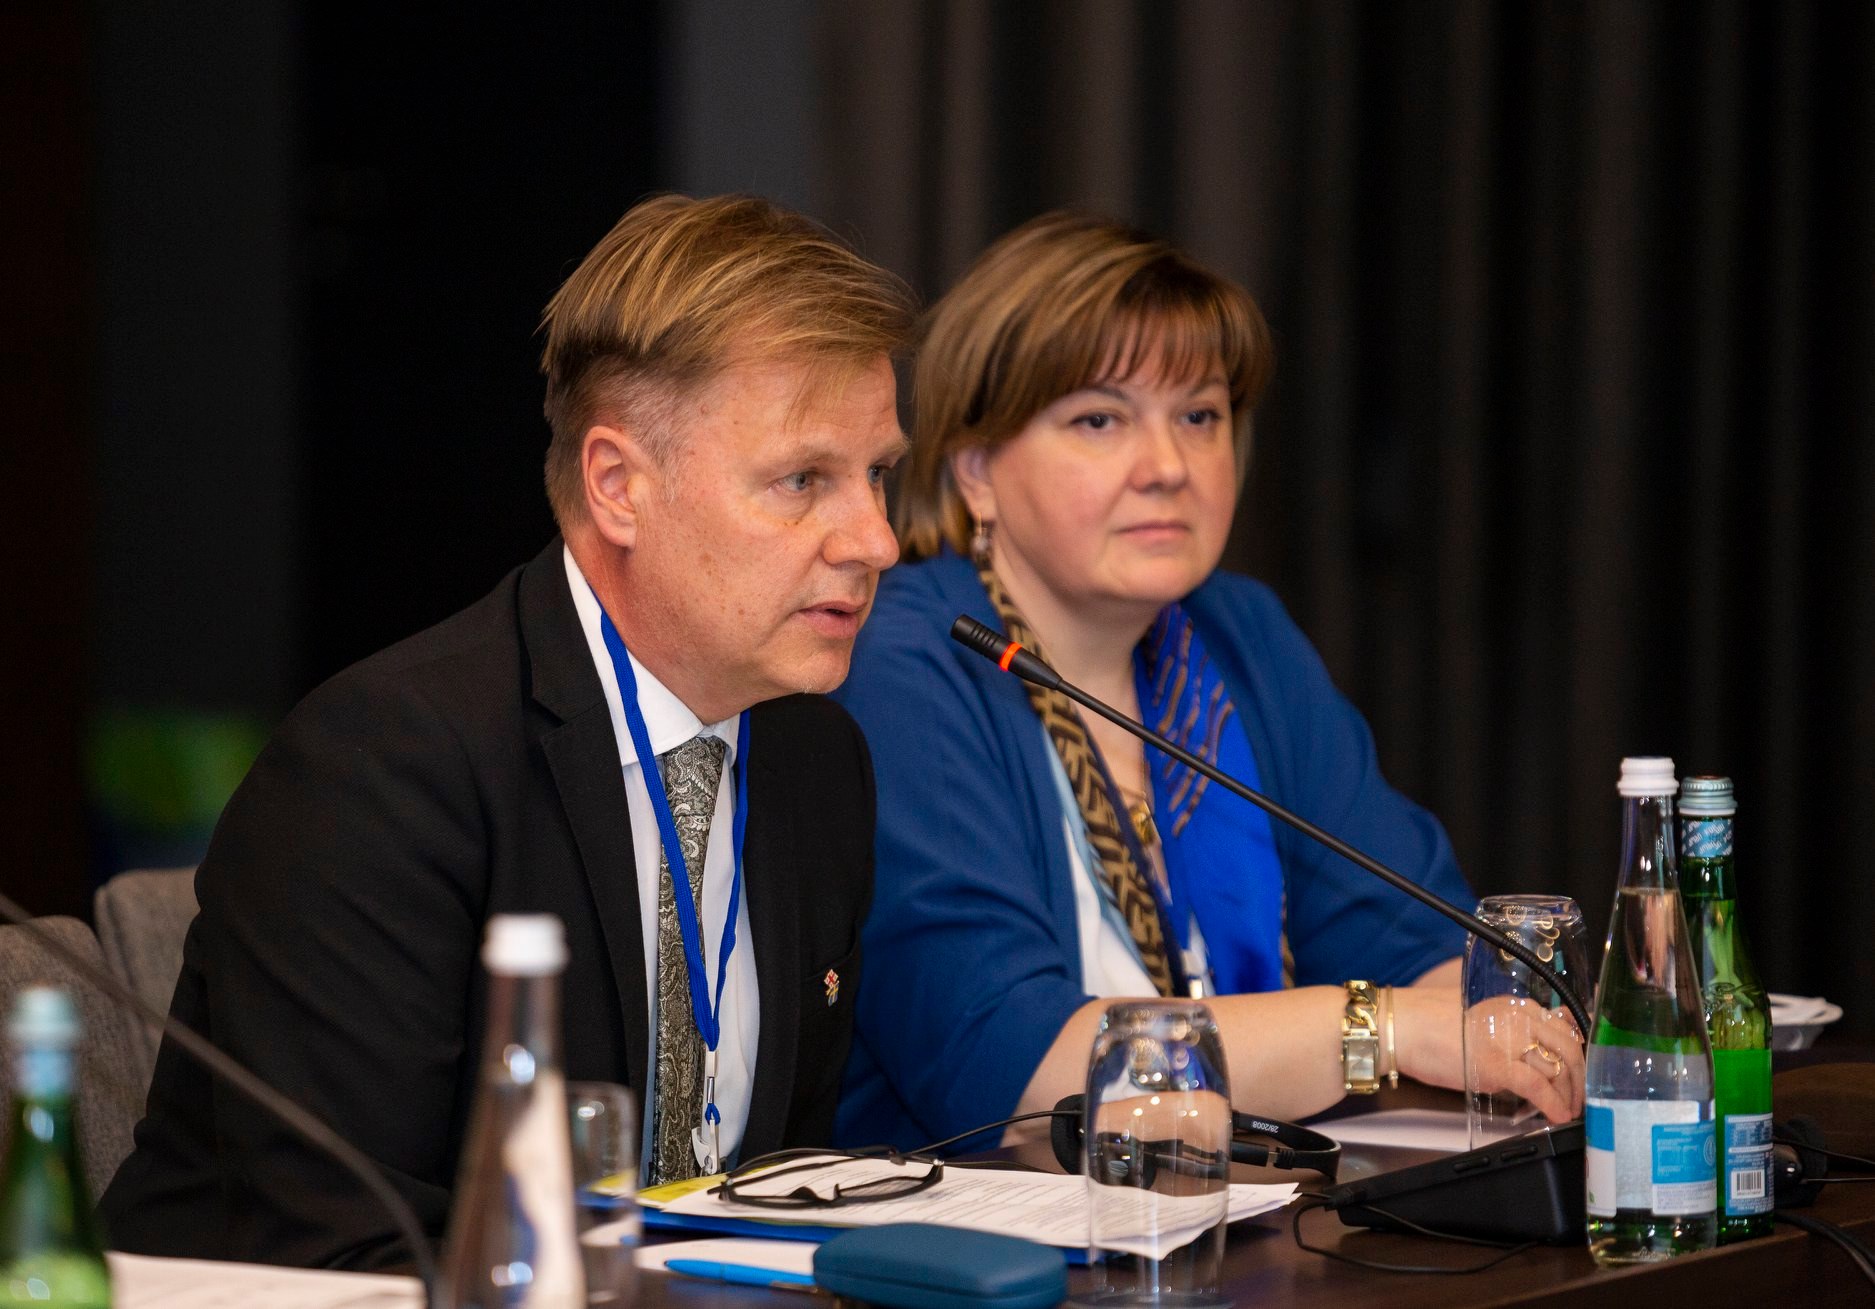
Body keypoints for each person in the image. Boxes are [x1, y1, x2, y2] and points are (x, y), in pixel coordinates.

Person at [101, 194, 915, 1269]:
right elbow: (341, 1250)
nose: (876, 539)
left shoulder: (817, 758)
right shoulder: (381, 766)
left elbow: (777, 1193)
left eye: (877, 474)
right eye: (803, 479)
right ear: (619, 487)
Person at [834, 212, 1582, 1150]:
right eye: (1099, 419)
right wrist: (1377, 1028)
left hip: (1240, 1215)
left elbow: (1426, 955)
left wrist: (1490, 1026)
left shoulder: (1238, 637)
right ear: (976, 471)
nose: (1167, 468)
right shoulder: (904, 662)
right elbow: (1009, 1069)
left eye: (1199, 416)